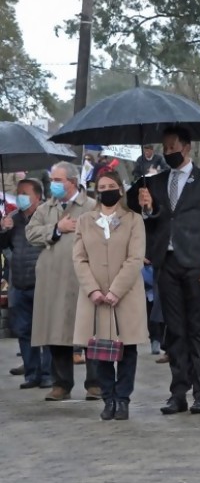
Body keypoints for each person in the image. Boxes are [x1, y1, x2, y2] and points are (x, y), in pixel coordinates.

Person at [126, 125, 200, 415]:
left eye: (173, 147)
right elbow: (136, 206)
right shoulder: (155, 182)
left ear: (187, 147)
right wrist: (144, 204)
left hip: (196, 264)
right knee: (175, 332)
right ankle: (178, 393)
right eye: (165, 148)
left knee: (197, 330)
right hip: (166, 264)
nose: (168, 152)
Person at [72, 172, 149, 420]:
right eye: (102, 187)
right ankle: (108, 398)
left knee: (127, 348)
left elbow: (135, 257)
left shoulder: (134, 219)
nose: (106, 190)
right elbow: (79, 258)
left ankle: (123, 398)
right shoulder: (84, 220)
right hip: (94, 296)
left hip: (125, 294)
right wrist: (93, 289)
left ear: (120, 189)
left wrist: (116, 289)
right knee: (99, 350)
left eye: (111, 186)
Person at [26, 162, 99, 401]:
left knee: (90, 331)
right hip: (53, 280)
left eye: (59, 180)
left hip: (83, 279)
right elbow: (31, 233)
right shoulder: (47, 207)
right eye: (53, 180)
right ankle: (61, 384)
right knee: (57, 332)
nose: (54, 185)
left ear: (73, 181)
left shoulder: (91, 206)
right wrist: (57, 228)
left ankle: (96, 384)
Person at [0, 179, 51, 389]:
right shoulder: (13, 219)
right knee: (23, 331)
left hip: (42, 282)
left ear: (37, 197)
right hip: (19, 283)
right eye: (19, 192)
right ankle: (32, 373)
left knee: (46, 332)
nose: (20, 196)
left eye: (25, 193)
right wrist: (4, 230)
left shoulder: (47, 216)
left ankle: (48, 374)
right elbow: (4, 247)